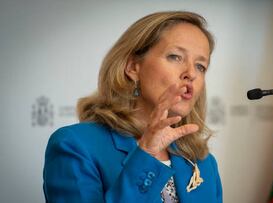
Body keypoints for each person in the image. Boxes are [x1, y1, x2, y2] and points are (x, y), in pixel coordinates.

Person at [43, 11, 222, 203]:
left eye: (200, 66)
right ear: (133, 67)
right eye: (175, 57)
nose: (191, 74)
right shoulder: (74, 145)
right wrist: (146, 155)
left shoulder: (204, 163)